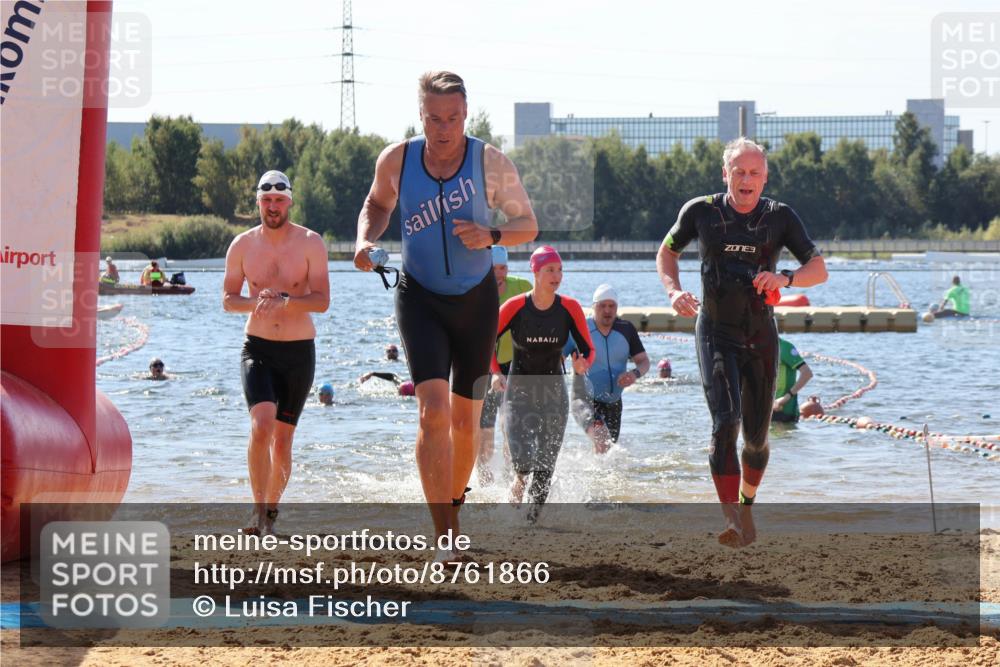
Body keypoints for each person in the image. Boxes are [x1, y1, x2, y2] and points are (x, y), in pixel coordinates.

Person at [354, 71, 538, 552]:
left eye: (453, 118)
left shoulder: (489, 162)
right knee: (432, 413)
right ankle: (445, 534)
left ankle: (452, 509)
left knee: (464, 424)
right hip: (419, 296)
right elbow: (376, 204)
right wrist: (364, 241)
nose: (444, 128)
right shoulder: (397, 159)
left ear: (466, 114)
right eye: (434, 118)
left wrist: (491, 235)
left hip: (476, 300)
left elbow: (527, 224)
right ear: (420, 115)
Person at [656, 137, 828, 548]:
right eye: (739, 172)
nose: (746, 180)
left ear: (765, 178)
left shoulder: (780, 217)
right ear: (725, 174)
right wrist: (673, 291)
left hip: (760, 333)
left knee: (756, 438)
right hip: (715, 331)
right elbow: (667, 252)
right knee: (725, 422)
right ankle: (731, 518)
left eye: (754, 173)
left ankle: (747, 506)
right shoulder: (701, 211)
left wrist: (785, 278)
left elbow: (818, 269)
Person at [223, 169, 330, 536]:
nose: (272, 206)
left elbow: (322, 301)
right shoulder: (242, 245)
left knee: (282, 441)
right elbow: (228, 299)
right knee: (261, 426)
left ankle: (270, 514)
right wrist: (257, 302)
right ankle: (256, 515)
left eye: (279, 200)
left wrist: (285, 300)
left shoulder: (311, 243)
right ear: (258, 202)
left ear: (289, 202)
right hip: (258, 348)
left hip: (299, 352)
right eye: (266, 200)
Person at [492, 246, 594, 522]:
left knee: (546, 464)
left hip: (553, 392)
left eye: (560, 270)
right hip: (518, 391)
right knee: (523, 459)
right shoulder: (515, 306)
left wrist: (583, 364)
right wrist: (495, 373)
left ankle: (531, 522)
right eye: (550, 270)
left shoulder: (569, 308)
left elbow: (588, 348)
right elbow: (487, 341)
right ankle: (519, 479)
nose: (556, 276)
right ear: (535, 272)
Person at [565, 284, 650, 454]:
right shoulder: (581, 328)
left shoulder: (626, 329)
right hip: (584, 399)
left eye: (612, 306)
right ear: (593, 307)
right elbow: (556, 359)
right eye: (602, 305)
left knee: (607, 453)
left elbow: (643, 361)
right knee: (602, 439)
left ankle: (587, 470)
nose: (607, 310)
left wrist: (634, 374)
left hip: (614, 403)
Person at [477, 245, 533, 484]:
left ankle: (511, 479)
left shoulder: (522, 287)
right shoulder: (474, 290)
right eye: (493, 269)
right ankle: (483, 480)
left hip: (513, 364)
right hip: (481, 366)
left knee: (510, 425)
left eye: (503, 268)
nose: (499, 274)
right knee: (485, 429)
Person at [771, 338, 813, 423]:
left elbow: (807, 373)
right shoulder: (758, 348)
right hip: (764, 410)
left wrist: (785, 398)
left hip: (783, 411)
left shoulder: (785, 347)